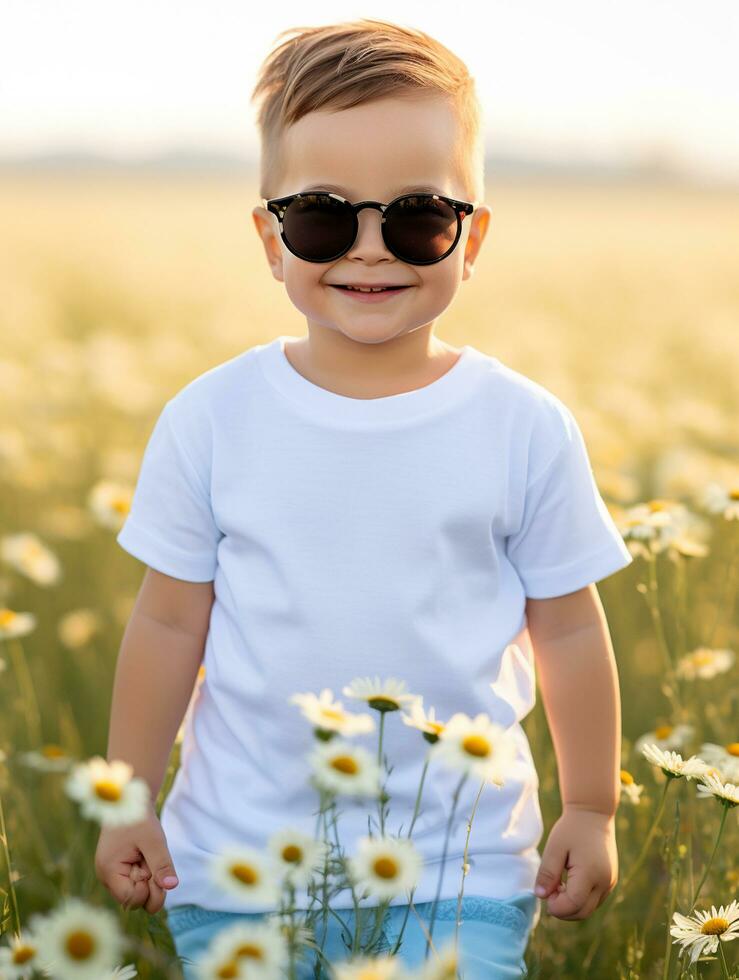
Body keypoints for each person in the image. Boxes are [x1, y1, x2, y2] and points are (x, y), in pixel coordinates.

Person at [95, 17, 633, 980]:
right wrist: (128, 794)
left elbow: (568, 629)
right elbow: (171, 623)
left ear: (472, 240)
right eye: (323, 217)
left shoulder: (523, 425)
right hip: (237, 869)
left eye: (420, 215)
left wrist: (590, 807)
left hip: (460, 868)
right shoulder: (211, 419)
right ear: (269, 238)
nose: (372, 250)